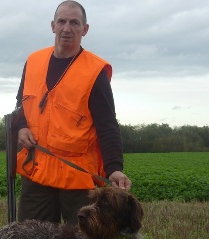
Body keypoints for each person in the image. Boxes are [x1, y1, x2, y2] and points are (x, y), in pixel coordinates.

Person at [14, 0, 131, 224]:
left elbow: (107, 125)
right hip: (36, 170)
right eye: (62, 21)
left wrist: (114, 169)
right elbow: (21, 104)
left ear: (85, 30)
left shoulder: (94, 72)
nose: (67, 28)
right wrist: (21, 127)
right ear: (52, 26)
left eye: (74, 23)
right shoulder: (33, 61)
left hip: (77, 178)